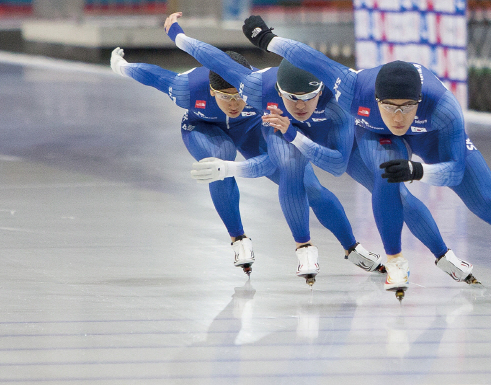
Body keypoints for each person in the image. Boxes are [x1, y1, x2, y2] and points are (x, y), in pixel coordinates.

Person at [239, 15, 491, 299]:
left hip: (432, 138)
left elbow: (454, 173)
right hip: (375, 134)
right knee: (387, 175)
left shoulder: (444, 108)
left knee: (490, 205)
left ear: (419, 103)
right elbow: (305, 56)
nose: (398, 117)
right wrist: (267, 38)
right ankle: (396, 260)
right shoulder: (352, 87)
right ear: (375, 100)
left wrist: (418, 170)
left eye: (406, 108)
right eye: (389, 107)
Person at [110, 44, 383, 280]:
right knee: (219, 160)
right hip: (204, 127)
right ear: (211, 91)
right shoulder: (187, 89)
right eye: (225, 97)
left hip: (253, 127)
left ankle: (352, 247)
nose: (234, 103)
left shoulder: (261, 91)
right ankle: (238, 238)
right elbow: (153, 75)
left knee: (306, 184)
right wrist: (121, 66)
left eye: (238, 95)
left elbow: (272, 159)